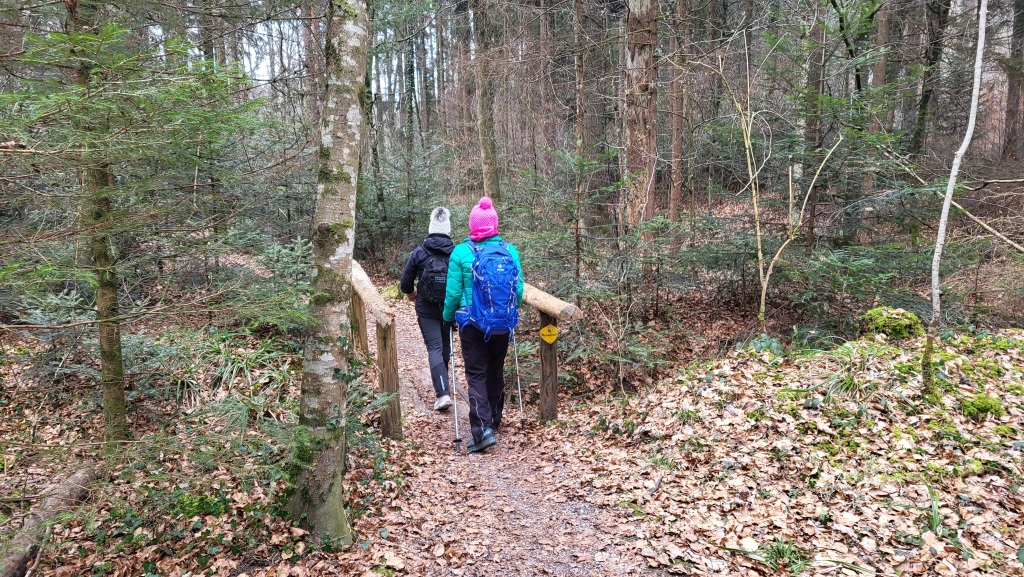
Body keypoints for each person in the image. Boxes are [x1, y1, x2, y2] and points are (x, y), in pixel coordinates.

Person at [442, 196, 524, 453]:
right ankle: (494, 419)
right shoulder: (510, 251)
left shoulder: (461, 252)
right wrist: (506, 312)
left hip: (472, 323)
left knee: (476, 374)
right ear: (495, 224)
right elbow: (518, 291)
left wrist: (447, 317)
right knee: (495, 369)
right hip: (502, 323)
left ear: (472, 225)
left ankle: (483, 430)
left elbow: (453, 294)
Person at [400, 207, 456, 411]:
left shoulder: (419, 252)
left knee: (434, 347)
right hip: (449, 307)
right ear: (448, 228)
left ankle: (442, 393)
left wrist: (412, 295)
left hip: (426, 307)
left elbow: (405, 282)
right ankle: (443, 386)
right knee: (445, 347)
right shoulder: (456, 252)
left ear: (431, 227)